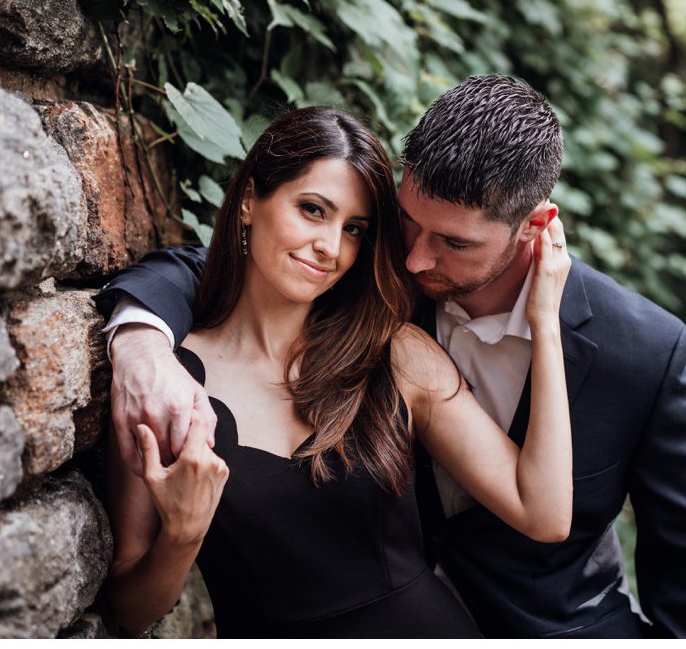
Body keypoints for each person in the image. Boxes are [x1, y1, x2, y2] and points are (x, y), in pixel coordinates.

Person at [97, 74, 686, 638]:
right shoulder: (366, 293)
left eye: (453, 242)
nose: (414, 260)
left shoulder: (640, 350)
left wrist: (544, 322)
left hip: (544, 625)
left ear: (533, 228)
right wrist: (140, 338)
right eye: (402, 224)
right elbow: (226, 274)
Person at [102, 106, 573, 637]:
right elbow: (127, 611)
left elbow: (545, 514)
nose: (330, 247)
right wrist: (183, 536)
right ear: (249, 202)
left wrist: (544, 323)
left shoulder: (395, 356)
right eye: (311, 209)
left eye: (354, 229)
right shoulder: (163, 384)